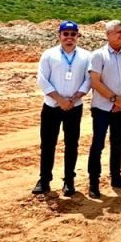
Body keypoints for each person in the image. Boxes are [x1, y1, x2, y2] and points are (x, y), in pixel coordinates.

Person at [33, 21, 91, 197]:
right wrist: (60, 100)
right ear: (59, 35)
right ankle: (44, 180)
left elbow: (88, 80)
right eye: (66, 34)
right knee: (48, 144)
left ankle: (69, 181)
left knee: (72, 144)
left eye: (73, 34)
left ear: (78, 36)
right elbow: (42, 79)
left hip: (74, 106)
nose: (69, 37)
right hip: (52, 106)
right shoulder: (49, 55)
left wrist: (74, 99)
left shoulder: (86, 56)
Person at [87, 20, 121, 198]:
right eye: (118, 32)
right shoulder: (98, 55)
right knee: (98, 144)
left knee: (117, 144)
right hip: (102, 108)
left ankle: (116, 177)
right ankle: (93, 182)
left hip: (120, 108)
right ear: (108, 35)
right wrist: (115, 99)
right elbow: (95, 82)